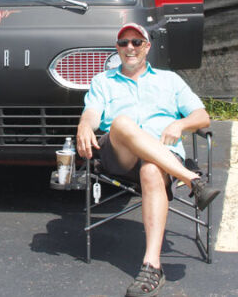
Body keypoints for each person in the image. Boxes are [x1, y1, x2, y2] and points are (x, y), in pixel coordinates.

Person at [76, 22, 220, 297]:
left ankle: (152, 266)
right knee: (121, 122)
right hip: (121, 155)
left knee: (153, 169)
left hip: (163, 158)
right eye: (123, 43)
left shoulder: (169, 80)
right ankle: (192, 181)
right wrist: (85, 124)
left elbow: (202, 117)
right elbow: (93, 113)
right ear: (117, 49)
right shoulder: (103, 80)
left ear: (147, 47)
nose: (129, 48)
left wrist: (180, 125)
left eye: (136, 42)